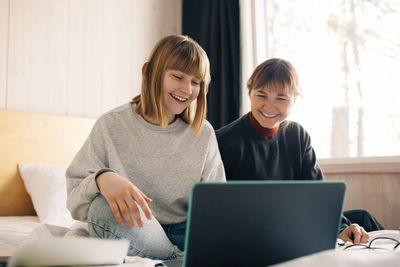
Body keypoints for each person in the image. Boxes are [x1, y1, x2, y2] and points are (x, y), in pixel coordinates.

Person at [66, 35, 226, 260]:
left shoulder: (204, 134)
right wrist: (102, 179)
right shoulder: (110, 125)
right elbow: (75, 203)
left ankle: (172, 260)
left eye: (195, 82)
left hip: (186, 232)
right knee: (101, 208)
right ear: (149, 72)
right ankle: (177, 260)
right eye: (178, 77)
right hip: (137, 228)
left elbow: (218, 203)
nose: (187, 89)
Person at [216, 58, 383, 244]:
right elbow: (218, 210)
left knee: (363, 218)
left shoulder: (297, 135)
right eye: (261, 95)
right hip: (254, 232)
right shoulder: (223, 141)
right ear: (249, 93)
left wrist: (341, 228)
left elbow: (317, 194)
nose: (269, 106)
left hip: (295, 222)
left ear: (295, 99)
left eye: (281, 98)